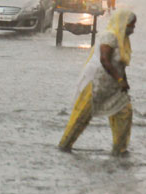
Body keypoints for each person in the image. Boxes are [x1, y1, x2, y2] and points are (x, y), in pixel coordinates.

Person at [58, 9, 136, 156]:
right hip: (97, 84)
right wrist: (120, 80)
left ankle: (120, 150)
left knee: (124, 113)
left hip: (114, 86)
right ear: (122, 23)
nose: (133, 29)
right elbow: (105, 60)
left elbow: (120, 64)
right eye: (131, 25)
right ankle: (64, 146)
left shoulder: (122, 39)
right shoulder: (109, 37)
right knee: (81, 117)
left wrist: (123, 82)